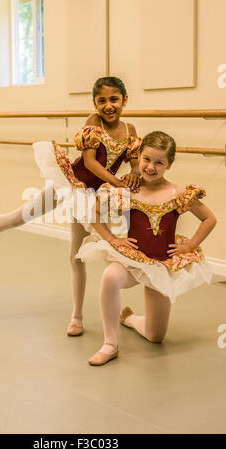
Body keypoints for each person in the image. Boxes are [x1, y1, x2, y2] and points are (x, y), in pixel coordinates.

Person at [0, 76, 142, 337]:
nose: (108, 106)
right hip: (71, 183)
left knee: (77, 253)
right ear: (94, 103)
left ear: (125, 100)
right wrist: (117, 182)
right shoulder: (93, 122)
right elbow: (90, 163)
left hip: (93, 196)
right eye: (102, 101)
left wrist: (134, 173)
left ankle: (77, 315)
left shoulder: (130, 129)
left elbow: (134, 161)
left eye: (114, 99)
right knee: (19, 217)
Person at [76, 131, 217, 365]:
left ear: (169, 164)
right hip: (134, 260)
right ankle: (110, 344)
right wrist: (112, 239)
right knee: (110, 276)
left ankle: (130, 319)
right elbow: (96, 215)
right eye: (146, 159)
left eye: (159, 162)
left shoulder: (178, 193)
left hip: (162, 265)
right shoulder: (127, 189)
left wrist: (191, 244)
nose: (151, 167)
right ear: (139, 157)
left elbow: (209, 219)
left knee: (155, 336)